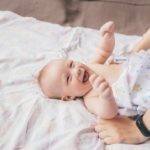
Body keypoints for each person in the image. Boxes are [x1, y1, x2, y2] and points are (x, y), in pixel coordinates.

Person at [38, 21, 150, 119]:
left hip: (142, 64)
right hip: (142, 89)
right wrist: (106, 97)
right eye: (68, 78)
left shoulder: (91, 65)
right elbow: (108, 113)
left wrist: (107, 37)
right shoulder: (90, 99)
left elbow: (103, 51)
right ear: (68, 97)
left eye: (71, 64)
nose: (76, 71)